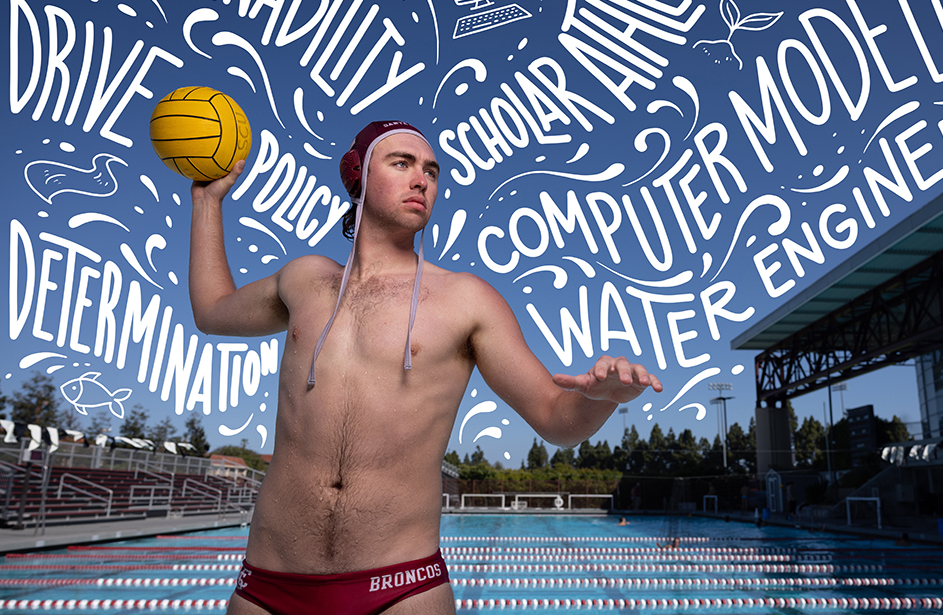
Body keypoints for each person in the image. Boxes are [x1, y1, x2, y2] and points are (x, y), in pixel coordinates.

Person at [188, 121, 662, 615]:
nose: (422, 180)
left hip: (401, 589)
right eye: (402, 164)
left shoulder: (466, 300)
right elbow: (212, 311)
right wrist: (208, 200)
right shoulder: (304, 279)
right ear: (358, 176)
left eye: (431, 172)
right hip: (268, 587)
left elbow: (555, 418)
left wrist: (599, 399)